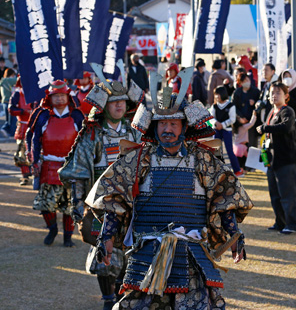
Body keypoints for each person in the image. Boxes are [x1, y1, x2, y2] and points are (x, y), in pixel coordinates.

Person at [85, 70, 253, 309]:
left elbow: (223, 198)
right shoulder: (138, 158)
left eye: (173, 123)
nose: (167, 129)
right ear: (153, 127)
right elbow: (114, 198)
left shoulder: (203, 159)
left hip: (192, 254)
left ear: (184, 126)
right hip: (147, 254)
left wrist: (234, 235)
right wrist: (107, 237)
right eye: (162, 123)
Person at [60, 71, 142, 310]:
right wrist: (78, 205)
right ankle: (108, 299)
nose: (118, 106)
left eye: (122, 102)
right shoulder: (92, 134)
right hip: (100, 205)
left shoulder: (135, 132)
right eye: (114, 102)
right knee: (105, 253)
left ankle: (121, 294)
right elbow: (78, 172)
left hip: (132, 203)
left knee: (130, 252)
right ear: (104, 106)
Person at [27, 80, 85, 247]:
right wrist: (34, 160)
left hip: (72, 166)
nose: (59, 99)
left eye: (62, 96)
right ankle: (52, 229)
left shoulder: (77, 116)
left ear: (68, 97)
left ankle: (68, 237)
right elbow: (35, 140)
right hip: (49, 165)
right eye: (56, 96)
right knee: (45, 203)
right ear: (50, 98)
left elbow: (85, 140)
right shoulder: (42, 116)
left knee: (70, 205)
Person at [257, 81, 296, 234]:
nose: (274, 95)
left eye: (278, 93)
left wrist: (265, 127)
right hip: (273, 159)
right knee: (275, 194)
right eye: (272, 93)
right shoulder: (272, 112)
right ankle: (280, 222)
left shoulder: (287, 111)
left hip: (287, 159)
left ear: (286, 96)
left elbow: (285, 127)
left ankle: (294, 225)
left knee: (289, 194)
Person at [210, 86, 245, 177]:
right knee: (216, 150)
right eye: (215, 95)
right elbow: (210, 117)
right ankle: (217, 170)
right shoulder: (214, 106)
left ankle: (237, 170)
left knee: (229, 151)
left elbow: (232, 119)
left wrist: (223, 125)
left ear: (223, 94)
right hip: (217, 130)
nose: (217, 96)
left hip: (227, 131)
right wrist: (216, 123)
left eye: (218, 94)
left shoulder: (231, 105)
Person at [9, 77, 36, 186]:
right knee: (21, 152)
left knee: (36, 151)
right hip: (23, 125)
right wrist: (22, 111)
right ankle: (25, 176)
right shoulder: (17, 94)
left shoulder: (36, 94)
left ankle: (36, 175)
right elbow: (11, 109)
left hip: (34, 126)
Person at [0, 68, 18, 137]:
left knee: (9, 119)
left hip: (4, 101)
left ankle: (4, 129)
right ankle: (12, 134)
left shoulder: (3, 81)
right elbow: (18, 80)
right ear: (11, 74)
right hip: (9, 102)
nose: (14, 76)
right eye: (13, 75)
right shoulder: (8, 80)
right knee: (13, 120)